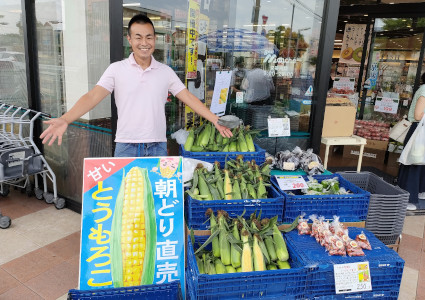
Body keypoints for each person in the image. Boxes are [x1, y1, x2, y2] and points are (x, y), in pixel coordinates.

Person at [40, 14, 232, 157]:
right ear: (130, 40)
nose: (144, 42)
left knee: (155, 202)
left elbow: (188, 98)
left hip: (157, 146)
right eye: (138, 37)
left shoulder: (165, 72)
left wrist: (215, 119)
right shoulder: (116, 69)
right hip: (126, 147)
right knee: (127, 203)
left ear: (155, 40)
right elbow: (92, 96)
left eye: (149, 37)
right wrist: (66, 119)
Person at [397, 72, 425, 211]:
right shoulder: (424, 90)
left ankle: (418, 191)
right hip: (418, 130)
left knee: (419, 161)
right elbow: (418, 115)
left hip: (421, 130)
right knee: (414, 162)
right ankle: (407, 198)